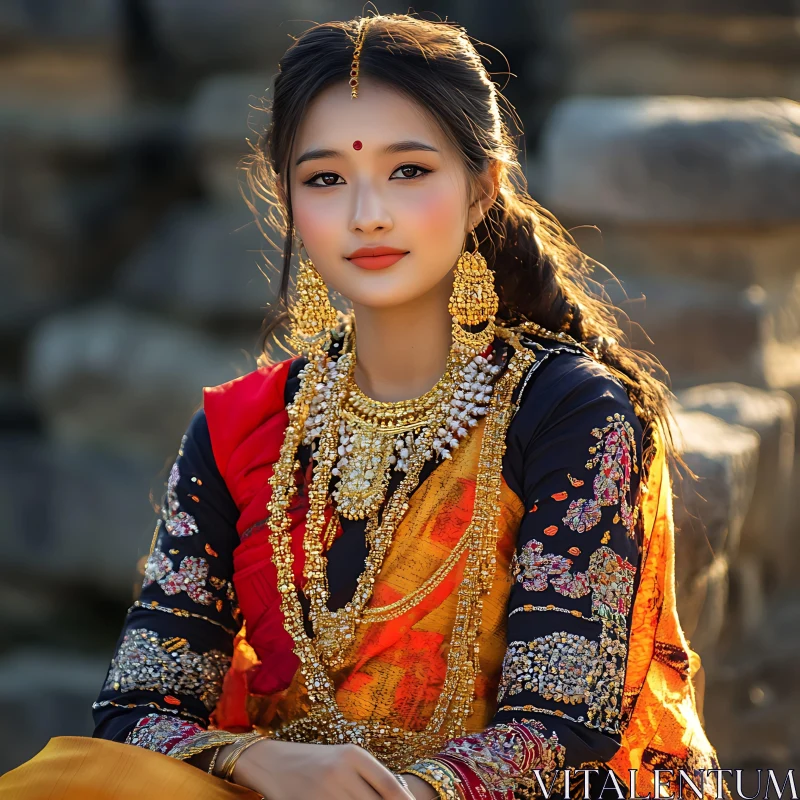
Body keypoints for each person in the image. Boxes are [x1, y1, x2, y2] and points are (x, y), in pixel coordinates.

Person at [0, 12, 731, 800]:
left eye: (409, 171)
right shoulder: (241, 429)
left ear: (482, 188)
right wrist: (257, 760)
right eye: (326, 179)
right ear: (287, 199)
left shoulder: (571, 412)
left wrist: (408, 794)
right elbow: (136, 710)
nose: (367, 214)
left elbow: (564, 721)